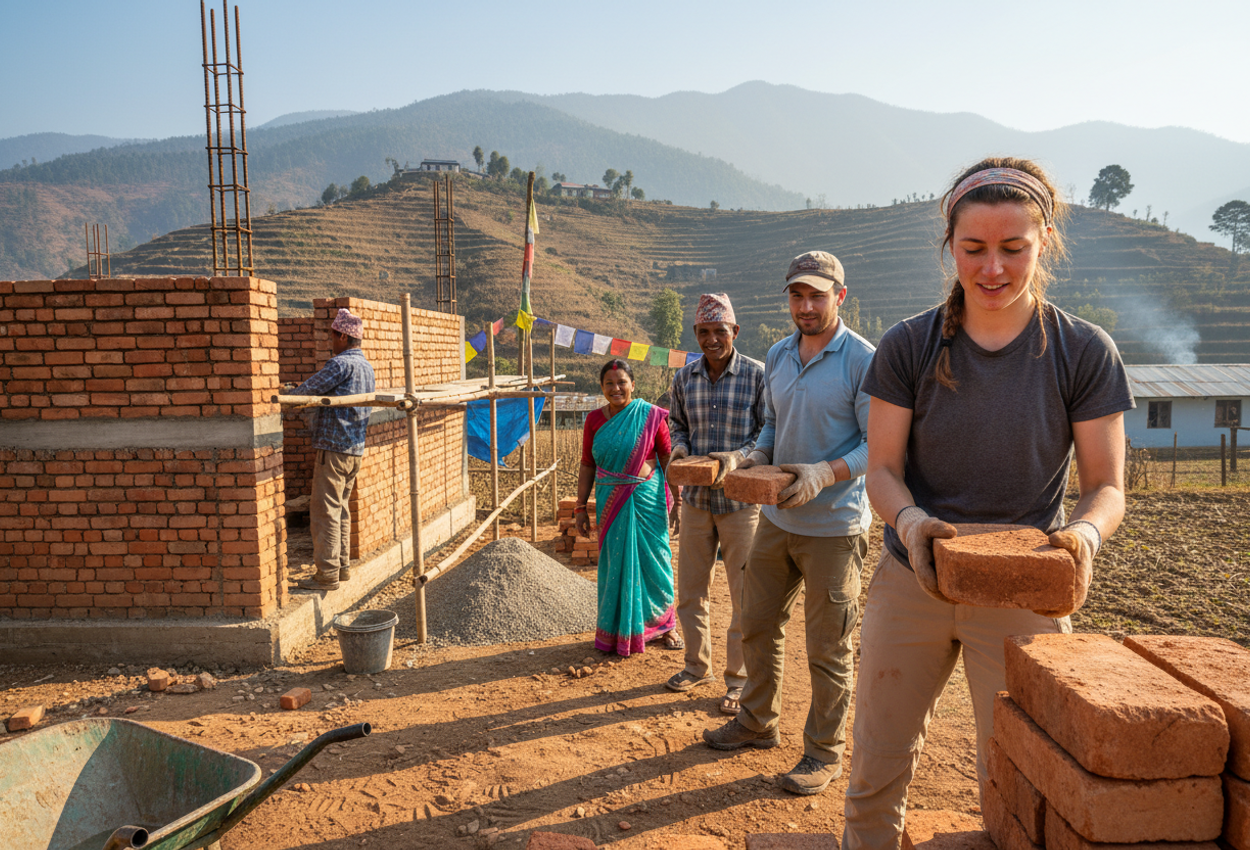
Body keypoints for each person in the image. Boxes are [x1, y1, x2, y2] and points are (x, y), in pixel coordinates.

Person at [842, 158, 1134, 848]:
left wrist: (1084, 538)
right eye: (974, 249)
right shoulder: (909, 346)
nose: (993, 268)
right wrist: (911, 525)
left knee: (1018, 773)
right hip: (911, 579)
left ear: (1045, 242)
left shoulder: (1082, 351)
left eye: (1013, 248)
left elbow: (1106, 486)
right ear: (951, 246)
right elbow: (881, 469)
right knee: (876, 766)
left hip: (1022, 590)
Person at [703, 251, 875, 798]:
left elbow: (880, 444)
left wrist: (826, 472)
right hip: (777, 519)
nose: (805, 306)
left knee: (827, 648)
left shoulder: (863, 360)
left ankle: (823, 752)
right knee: (756, 623)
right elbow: (773, 424)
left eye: (816, 295)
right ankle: (757, 721)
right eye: (797, 296)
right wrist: (751, 459)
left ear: (840, 297)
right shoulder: (779, 354)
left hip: (835, 525)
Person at [665, 293, 767, 716]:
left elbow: (767, 434)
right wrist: (679, 451)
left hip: (741, 503)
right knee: (691, 591)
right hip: (696, 501)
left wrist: (735, 459)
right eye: (704, 332)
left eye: (719, 332)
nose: (712, 340)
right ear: (695, 334)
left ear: (734, 332)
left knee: (744, 595)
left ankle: (739, 680)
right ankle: (695, 666)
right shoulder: (684, 378)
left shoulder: (758, 376)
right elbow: (676, 424)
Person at [575, 359, 681, 655]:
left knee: (656, 562)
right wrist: (580, 507)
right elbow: (587, 464)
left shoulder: (650, 416)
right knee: (614, 566)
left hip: (648, 501)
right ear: (602, 388)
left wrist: (678, 501)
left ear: (633, 385)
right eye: (609, 384)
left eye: (622, 382)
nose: (616, 388)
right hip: (611, 503)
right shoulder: (595, 420)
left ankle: (665, 626)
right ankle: (618, 631)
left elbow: (666, 458)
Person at [286, 308, 376, 592]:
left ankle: (326, 574)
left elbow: (303, 393)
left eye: (332, 335)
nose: (330, 341)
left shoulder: (340, 365)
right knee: (341, 509)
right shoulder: (366, 367)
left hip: (333, 451)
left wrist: (287, 392)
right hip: (354, 451)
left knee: (325, 511)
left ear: (341, 335)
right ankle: (342, 567)